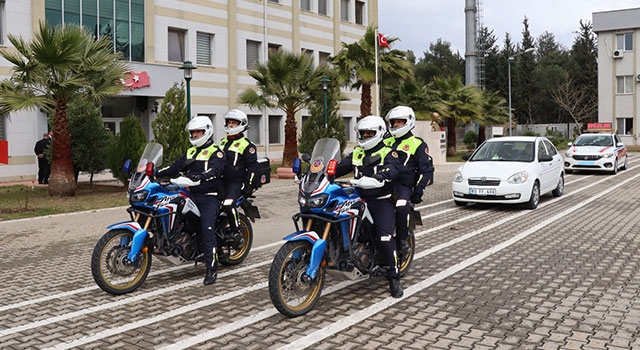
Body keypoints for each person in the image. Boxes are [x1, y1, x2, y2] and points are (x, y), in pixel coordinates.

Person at [334, 116, 403, 298]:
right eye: (363, 133)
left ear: (379, 133)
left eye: (369, 133)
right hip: (357, 198)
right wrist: (321, 172)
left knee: (385, 238)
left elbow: (392, 169)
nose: (365, 136)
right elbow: (340, 168)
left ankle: (394, 277)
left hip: (380, 199)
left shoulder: (389, 152)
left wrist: (381, 176)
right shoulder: (357, 152)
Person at [156, 116, 226, 285]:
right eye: (193, 132)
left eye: (198, 132)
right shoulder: (190, 152)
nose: (195, 135)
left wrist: (201, 176)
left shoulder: (216, 152)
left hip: (209, 196)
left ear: (207, 131)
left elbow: (215, 171)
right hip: (191, 193)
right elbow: (174, 167)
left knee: (207, 227)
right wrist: (154, 172)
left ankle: (212, 267)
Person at [384, 106, 434, 255]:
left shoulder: (417, 143)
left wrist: (418, 190)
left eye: (400, 122)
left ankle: (403, 239)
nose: (396, 125)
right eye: (394, 122)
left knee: (401, 206)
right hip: (382, 183)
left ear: (409, 122)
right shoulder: (384, 141)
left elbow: (426, 170)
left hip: (403, 185)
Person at [218, 109, 259, 236]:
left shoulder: (247, 145)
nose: (230, 125)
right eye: (229, 122)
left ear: (241, 125)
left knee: (228, 204)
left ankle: (236, 231)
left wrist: (249, 186)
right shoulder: (222, 142)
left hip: (236, 182)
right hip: (221, 180)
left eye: (234, 123)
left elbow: (253, 167)